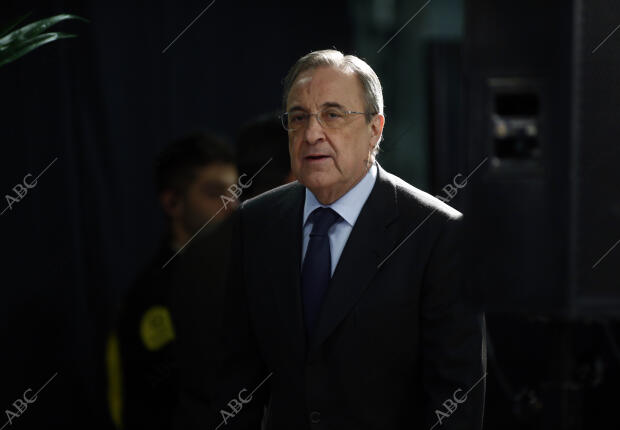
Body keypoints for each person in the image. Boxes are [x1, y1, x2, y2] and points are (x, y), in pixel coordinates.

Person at [184, 49, 486, 430]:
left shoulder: (437, 233)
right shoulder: (257, 222)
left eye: (332, 115)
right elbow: (237, 380)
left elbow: (456, 400)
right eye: (299, 118)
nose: (312, 134)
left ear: (375, 129)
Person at [107, 133, 238, 430]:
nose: (232, 205)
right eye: (215, 192)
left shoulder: (233, 273)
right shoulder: (153, 294)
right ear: (172, 203)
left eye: (235, 191)